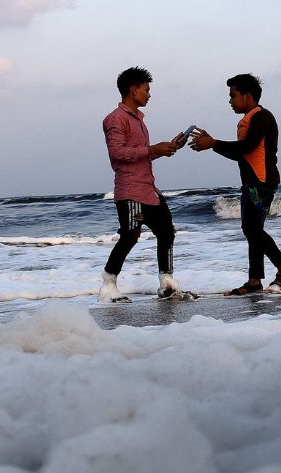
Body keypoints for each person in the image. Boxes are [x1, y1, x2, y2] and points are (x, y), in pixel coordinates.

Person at [190, 73, 281, 295]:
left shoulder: (261, 116)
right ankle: (255, 281)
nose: (230, 101)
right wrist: (213, 143)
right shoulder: (249, 119)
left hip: (261, 183)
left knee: (252, 229)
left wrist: (213, 143)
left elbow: (248, 147)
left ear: (247, 96)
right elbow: (240, 154)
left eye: (233, 95)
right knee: (252, 230)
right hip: (253, 183)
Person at [100, 66, 189, 303]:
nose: (149, 95)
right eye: (146, 90)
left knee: (166, 232)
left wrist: (166, 148)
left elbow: (140, 155)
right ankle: (108, 286)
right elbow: (117, 153)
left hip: (149, 190)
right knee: (130, 236)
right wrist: (152, 149)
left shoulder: (138, 120)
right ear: (134, 90)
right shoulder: (115, 119)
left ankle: (167, 283)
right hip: (130, 191)